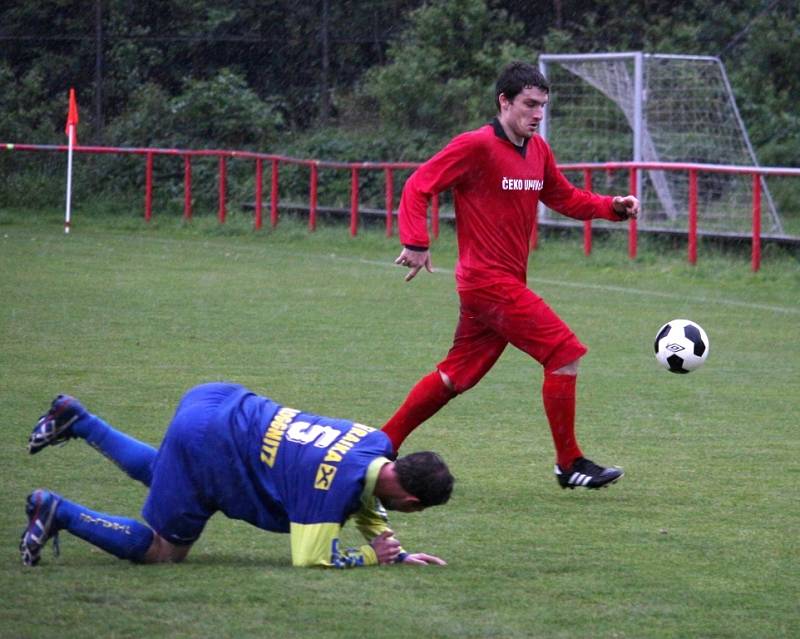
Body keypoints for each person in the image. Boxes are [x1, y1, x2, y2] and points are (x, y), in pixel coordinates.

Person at [384, 61, 640, 490]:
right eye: (529, 104)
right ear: (504, 101)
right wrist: (416, 241)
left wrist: (612, 207)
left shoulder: (537, 150)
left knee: (455, 376)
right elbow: (418, 184)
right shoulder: (476, 146)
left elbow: (564, 197)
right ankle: (569, 463)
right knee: (564, 351)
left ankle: (381, 442)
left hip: (503, 284)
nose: (537, 114)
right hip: (487, 282)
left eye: (542, 105)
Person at [21, 383, 453, 568]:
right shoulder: (331, 490)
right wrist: (371, 555)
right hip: (211, 442)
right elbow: (312, 559)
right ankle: (60, 511)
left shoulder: (376, 442)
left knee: (169, 475)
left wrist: (395, 552)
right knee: (163, 551)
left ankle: (76, 419)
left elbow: (366, 490)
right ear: (412, 503)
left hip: (218, 399)